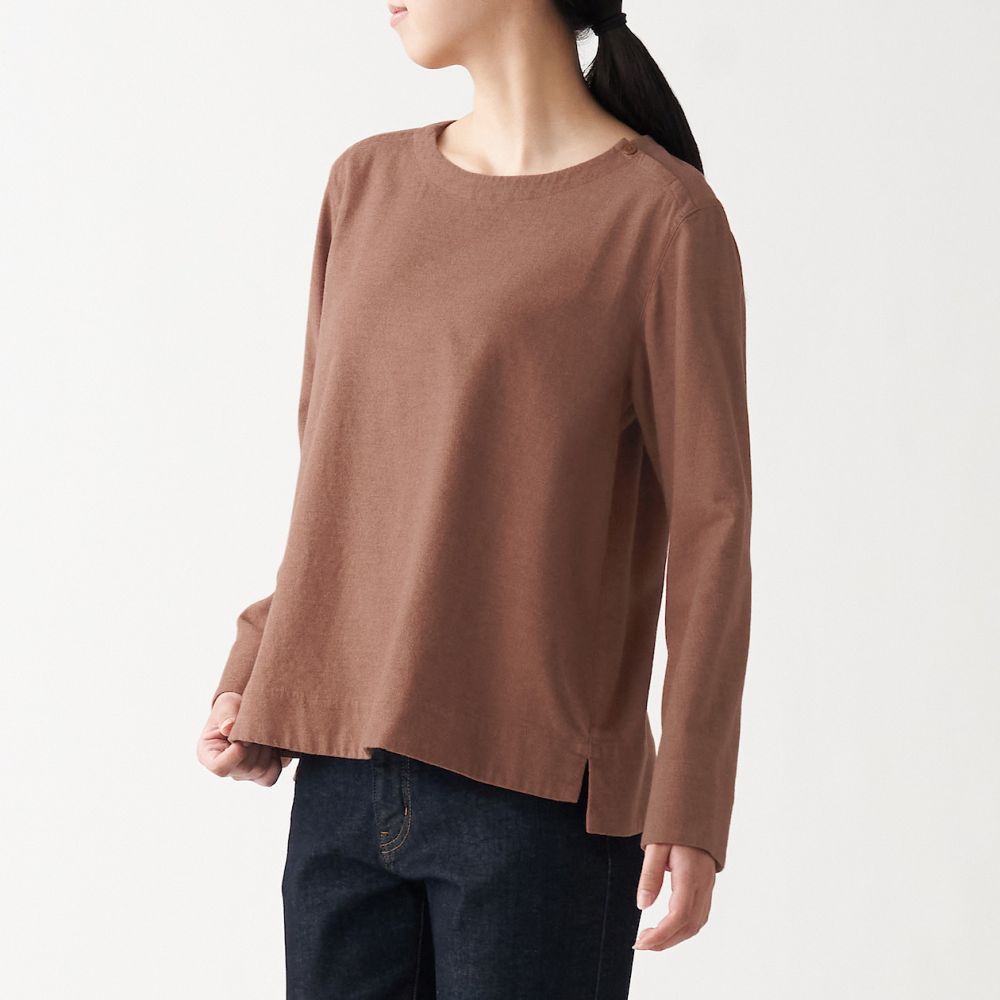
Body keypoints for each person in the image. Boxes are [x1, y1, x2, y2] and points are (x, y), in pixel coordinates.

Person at [196, 2, 752, 997]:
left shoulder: (660, 217)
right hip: (339, 780)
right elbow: (339, 480)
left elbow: (713, 525)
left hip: (534, 800)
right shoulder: (364, 184)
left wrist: (692, 794)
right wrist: (264, 661)